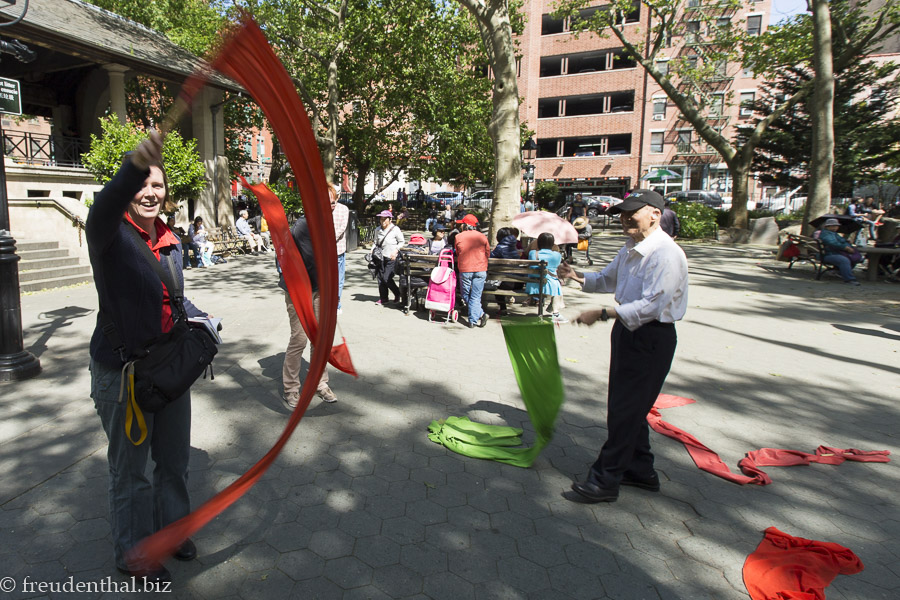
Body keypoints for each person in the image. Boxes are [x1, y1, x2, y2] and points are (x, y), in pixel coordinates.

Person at [86, 132, 205, 582]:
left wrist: (198, 319)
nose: (150, 193)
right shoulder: (108, 234)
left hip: (168, 369)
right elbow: (105, 203)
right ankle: (134, 555)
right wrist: (135, 166)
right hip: (124, 374)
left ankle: (171, 534)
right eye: (142, 184)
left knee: (174, 461)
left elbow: (170, 300)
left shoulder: (171, 240)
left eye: (158, 185)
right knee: (131, 473)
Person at [558, 189, 688, 503]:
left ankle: (604, 481)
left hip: (651, 336)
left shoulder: (666, 254)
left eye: (633, 212)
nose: (625, 218)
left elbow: (652, 306)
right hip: (627, 333)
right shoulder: (631, 247)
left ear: (655, 214)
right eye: (622, 213)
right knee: (627, 407)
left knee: (625, 411)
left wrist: (602, 313)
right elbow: (607, 279)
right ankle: (641, 472)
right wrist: (577, 277)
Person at [280, 216, 338, 408]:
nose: (331, 206)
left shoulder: (325, 224)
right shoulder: (303, 225)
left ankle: (320, 384)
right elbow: (310, 259)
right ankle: (291, 388)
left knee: (319, 339)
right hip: (298, 288)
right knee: (300, 338)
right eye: (328, 201)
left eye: (334, 201)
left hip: (319, 288)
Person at [454, 213, 491, 328]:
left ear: (466, 225)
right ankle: (480, 314)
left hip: (465, 269)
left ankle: (473, 320)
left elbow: (457, 251)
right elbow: (488, 253)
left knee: (466, 294)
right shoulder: (482, 236)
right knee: (475, 296)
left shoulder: (458, 237)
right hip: (480, 268)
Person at [525, 232, 566, 322]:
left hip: (533, 286)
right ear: (552, 243)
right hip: (550, 286)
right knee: (556, 284)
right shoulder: (557, 255)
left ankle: (554, 312)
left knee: (554, 282)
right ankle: (556, 312)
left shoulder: (533, 253)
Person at [373, 209, 405, 305]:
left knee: (386, 277)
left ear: (390, 219)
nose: (382, 221)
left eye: (384, 219)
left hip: (391, 257)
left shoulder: (395, 229)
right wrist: (372, 251)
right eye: (381, 219)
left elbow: (402, 241)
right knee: (380, 278)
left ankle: (397, 293)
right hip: (380, 257)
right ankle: (384, 298)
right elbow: (375, 242)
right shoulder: (377, 230)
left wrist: (396, 251)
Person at [819, 218, 862, 286]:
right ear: (827, 226)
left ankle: (840, 271)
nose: (835, 227)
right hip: (828, 254)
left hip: (835, 253)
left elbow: (841, 240)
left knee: (855, 257)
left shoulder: (834, 234)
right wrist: (845, 247)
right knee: (844, 260)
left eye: (836, 226)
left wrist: (847, 243)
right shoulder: (826, 234)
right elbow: (832, 243)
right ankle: (849, 279)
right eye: (833, 226)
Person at [490, 227, 522, 316]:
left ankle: (503, 308)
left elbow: (490, 261)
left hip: (506, 283)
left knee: (496, 282)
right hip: (517, 283)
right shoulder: (514, 247)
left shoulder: (499, 248)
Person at [330, 186, 350, 315]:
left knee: (338, 280)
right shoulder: (321, 208)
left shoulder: (343, 209)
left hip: (338, 250)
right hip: (323, 252)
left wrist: (328, 238)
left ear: (338, 197)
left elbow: (342, 228)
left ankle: (336, 304)